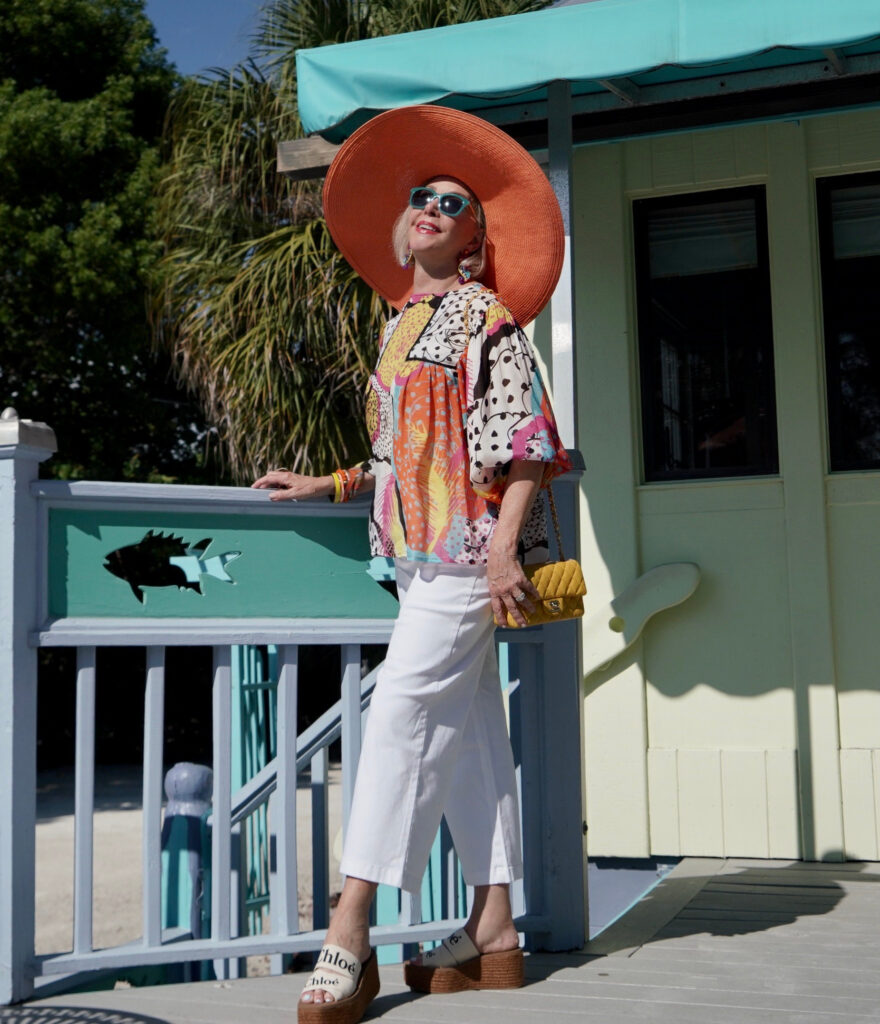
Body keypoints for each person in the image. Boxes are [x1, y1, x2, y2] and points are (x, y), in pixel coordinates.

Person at [252, 105, 570, 1024]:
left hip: (469, 556)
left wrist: (506, 548)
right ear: (402, 226)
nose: (431, 207)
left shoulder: (481, 313)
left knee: (394, 719)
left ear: (474, 240)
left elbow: (528, 442)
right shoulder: (399, 326)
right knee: (473, 737)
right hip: (418, 557)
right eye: (420, 198)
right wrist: (333, 479)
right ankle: (494, 930)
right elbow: (406, 452)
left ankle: (350, 929)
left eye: (453, 202)